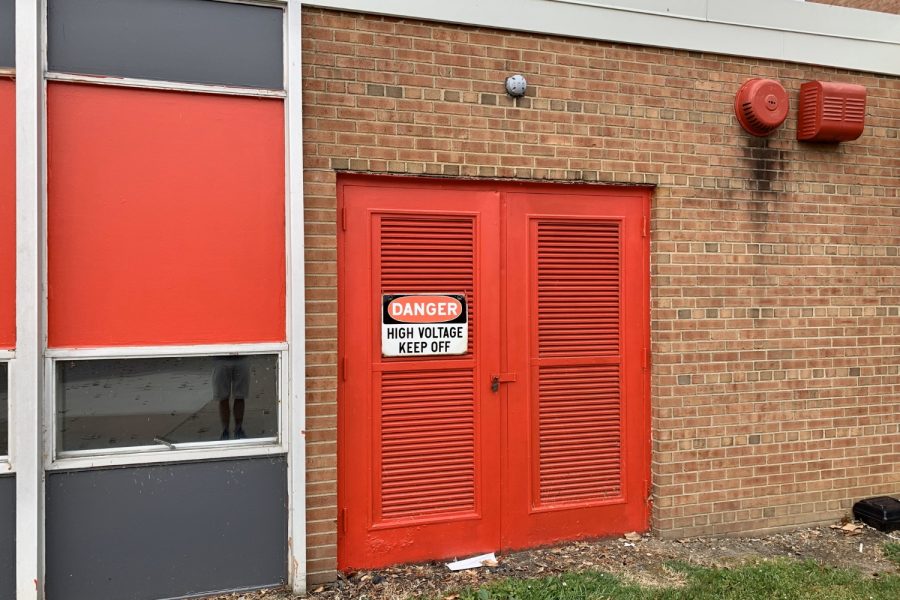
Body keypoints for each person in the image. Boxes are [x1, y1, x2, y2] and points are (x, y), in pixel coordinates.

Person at [213, 356, 250, 440]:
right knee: (223, 397)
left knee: (240, 395)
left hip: (241, 356)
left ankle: (238, 429)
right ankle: (225, 430)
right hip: (220, 358)